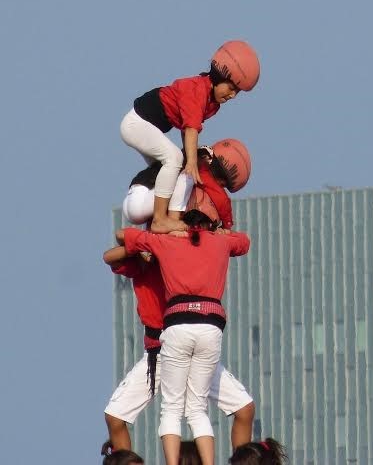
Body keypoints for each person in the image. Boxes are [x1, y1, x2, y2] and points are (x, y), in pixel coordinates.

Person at [104, 207, 250, 465]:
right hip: (161, 350)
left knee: (243, 408)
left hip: (181, 336)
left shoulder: (177, 247)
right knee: (116, 417)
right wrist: (150, 241)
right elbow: (110, 256)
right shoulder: (152, 255)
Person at [120, 40, 260, 233]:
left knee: (170, 173)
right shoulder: (197, 90)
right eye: (231, 87)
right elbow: (191, 128)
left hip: (148, 127)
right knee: (176, 160)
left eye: (237, 92)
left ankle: (163, 223)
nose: (233, 95)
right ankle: (161, 220)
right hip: (136, 124)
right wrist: (192, 161)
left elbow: (187, 129)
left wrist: (190, 156)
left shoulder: (212, 103)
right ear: (220, 76)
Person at [123, 138, 252, 231]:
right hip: (139, 202)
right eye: (223, 184)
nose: (221, 187)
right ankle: (170, 223)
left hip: (140, 196)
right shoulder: (198, 166)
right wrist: (227, 225)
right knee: (189, 176)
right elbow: (220, 198)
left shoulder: (194, 156)